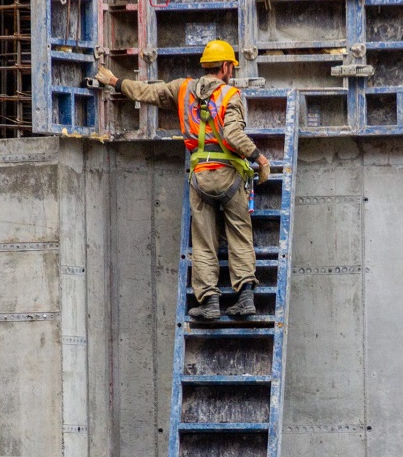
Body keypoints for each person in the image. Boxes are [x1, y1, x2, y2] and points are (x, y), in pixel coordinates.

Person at [94, 40, 271, 320]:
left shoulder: (183, 89)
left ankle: (210, 302)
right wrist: (260, 159)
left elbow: (148, 92)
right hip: (229, 176)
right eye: (231, 67)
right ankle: (245, 298)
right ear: (225, 67)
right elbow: (234, 136)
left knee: (203, 241)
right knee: (239, 235)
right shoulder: (230, 95)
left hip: (200, 176)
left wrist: (116, 81)